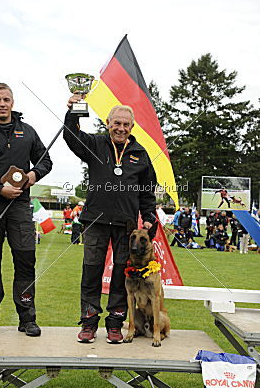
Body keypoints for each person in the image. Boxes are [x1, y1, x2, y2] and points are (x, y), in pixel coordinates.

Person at [64, 97, 156, 344]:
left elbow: (148, 192)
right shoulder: (95, 143)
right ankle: (89, 323)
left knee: (120, 274)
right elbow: (71, 137)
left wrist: (148, 218)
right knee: (91, 272)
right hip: (95, 221)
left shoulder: (140, 154)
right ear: (108, 123)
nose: (121, 128)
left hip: (126, 226)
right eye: (117, 123)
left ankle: (115, 324)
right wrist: (73, 111)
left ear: (132, 127)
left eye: (126, 124)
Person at [0, 83, 52, 336]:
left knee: (25, 262)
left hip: (20, 207)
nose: (2, 104)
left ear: (13, 102)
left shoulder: (27, 132)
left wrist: (33, 174)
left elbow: (45, 160)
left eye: (6, 99)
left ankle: (27, 318)